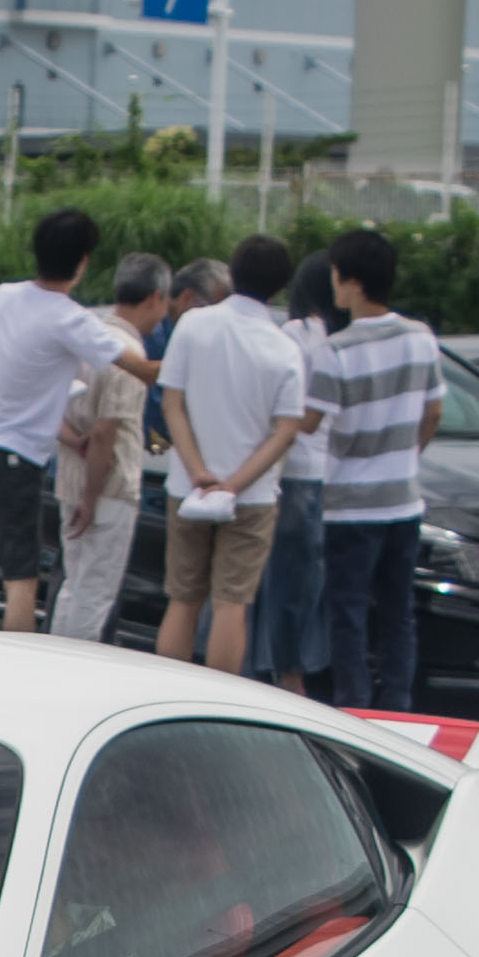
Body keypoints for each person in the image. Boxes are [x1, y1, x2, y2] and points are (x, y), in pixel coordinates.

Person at [0, 207, 157, 633]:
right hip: (12, 459)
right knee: (21, 581)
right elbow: (142, 370)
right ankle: (24, 672)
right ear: (82, 262)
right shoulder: (71, 318)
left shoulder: (2, 296)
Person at [152, 235, 311, 676]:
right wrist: (235, 483)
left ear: (233, 274)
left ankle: (161, 694)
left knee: (182, 598)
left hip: (188, 487)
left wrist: (199, 471)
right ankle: (219, 697)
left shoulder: (194, 325)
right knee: (230, 605)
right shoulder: (283, 348)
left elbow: (171, 403)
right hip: (251, 495)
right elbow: (285, 431)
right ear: (279, 287)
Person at [313, 227, 442, 711]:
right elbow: (433, 413)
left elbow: (309, 422)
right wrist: (406, 456)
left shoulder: (334, 350)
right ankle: (398, 705)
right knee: (398, 612)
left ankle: (354, 705)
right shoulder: (421, 338)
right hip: (403, 499)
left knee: (347, 612)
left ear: (351, 282)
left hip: (348, 504)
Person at [50, 252, 168, 644]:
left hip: (69, 477)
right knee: (96, 592)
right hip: (108, 487)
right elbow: (107, 432)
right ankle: (76, 673)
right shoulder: (127, 356)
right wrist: (91, 495)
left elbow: (51, 410)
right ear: (154, 297)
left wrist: (73, 448)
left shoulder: (86, 341)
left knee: (73, 585)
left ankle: (54, 662)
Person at [246, 250, 339, 694]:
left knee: (289, 579)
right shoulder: (325, 338)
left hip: (297, 469)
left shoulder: (296, 336)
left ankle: (286, 672)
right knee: (304, 580)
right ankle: (294, 674)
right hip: (321, 472)